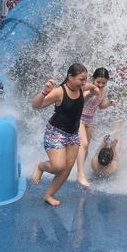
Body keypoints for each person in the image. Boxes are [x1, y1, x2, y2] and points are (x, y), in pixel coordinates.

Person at [31, 63, 98, 207]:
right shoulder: (59, 92)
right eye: (81, 79)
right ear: (70, 77)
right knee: (58, 167)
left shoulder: (81, 88)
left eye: (85, 79)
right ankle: (41, 166)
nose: (84, 82)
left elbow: (91, 86)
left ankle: (49, 194)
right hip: (55, 133)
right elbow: (36, 105)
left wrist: (94, 89)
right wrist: (44, 92)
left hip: (73, 134)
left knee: (67, 169)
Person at [75, 67, 117, 188]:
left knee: (86, 146)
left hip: (90, 120)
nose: (101, 84)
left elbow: (101, 106)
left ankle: (80, 171)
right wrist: (90, 92)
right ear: (93, 79)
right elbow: (77, 100)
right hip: (80, 118)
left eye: (104, 82)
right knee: (84, 144)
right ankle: (80, 174)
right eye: (98, 82)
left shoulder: (105, 90)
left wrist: (109, 103)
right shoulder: (88, 86)